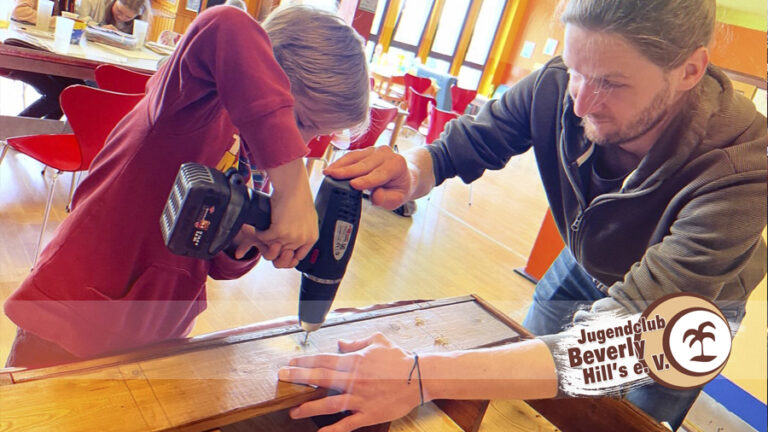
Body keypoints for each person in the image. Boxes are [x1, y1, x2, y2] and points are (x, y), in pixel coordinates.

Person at [277, 0, 767, 431]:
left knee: (624, 420)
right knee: (525, 391)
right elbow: (473, 139)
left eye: (611, 83)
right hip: (582, 265)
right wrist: (413, 168)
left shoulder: (745, 163)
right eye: (576, 70)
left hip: (684, 311)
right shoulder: (563, 82)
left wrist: (419, 374)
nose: (580, 101)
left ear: (689, 70)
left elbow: (622, 345)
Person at [4, 5, 370, 368]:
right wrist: (294, 189)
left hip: (157, 331)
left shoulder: (254, 161)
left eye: (315, 134)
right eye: (301, 122)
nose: (301, 145)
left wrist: (246, 241)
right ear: (267, 79)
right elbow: (224, 24)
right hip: (72, 318)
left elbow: (211, 261)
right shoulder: (190, 105)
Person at [6, 0, 83, 119]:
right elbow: (18, 11)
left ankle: (42, 132)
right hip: (20, 53)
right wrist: (58, 22)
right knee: (55, 94)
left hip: (49, 52)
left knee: (76, 90)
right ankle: (12, 131)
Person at [77, 0, 151, 34]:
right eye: (119, 11)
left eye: (128, 17)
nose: (121, 17)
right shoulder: (93, 2)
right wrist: (98, 27)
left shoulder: (141, 22)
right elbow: (79, 20)